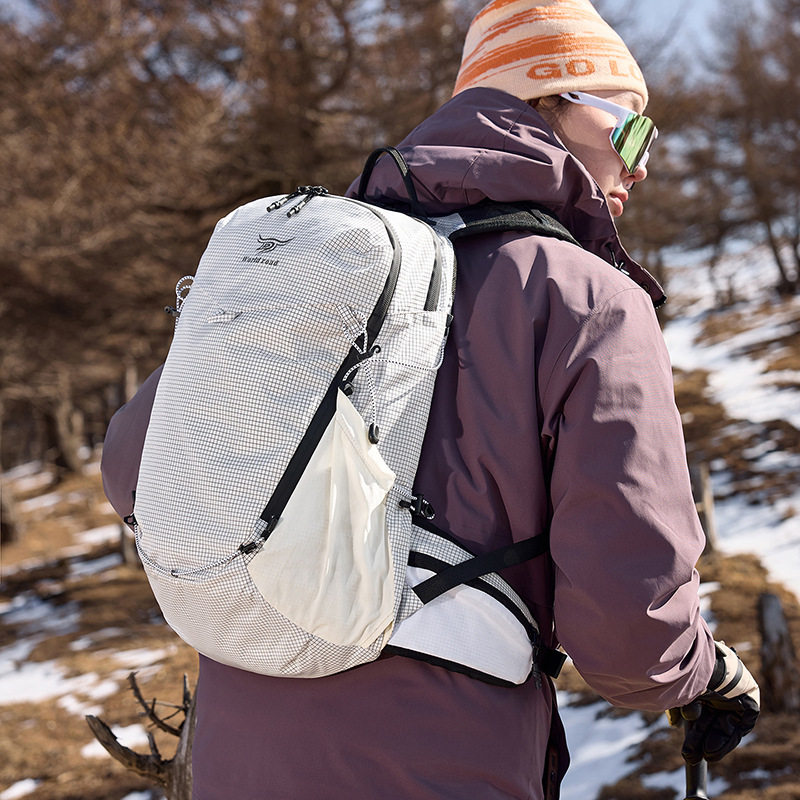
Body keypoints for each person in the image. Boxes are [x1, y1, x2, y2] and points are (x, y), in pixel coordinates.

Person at [101, 1, 759, 797]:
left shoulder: (316, 263)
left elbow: (130, 466)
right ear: (552, 102)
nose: (642, 162)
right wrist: (699, 676)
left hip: (240, 750)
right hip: (436, 759)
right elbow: (628, 633)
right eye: (633, 129)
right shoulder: (582, 296)